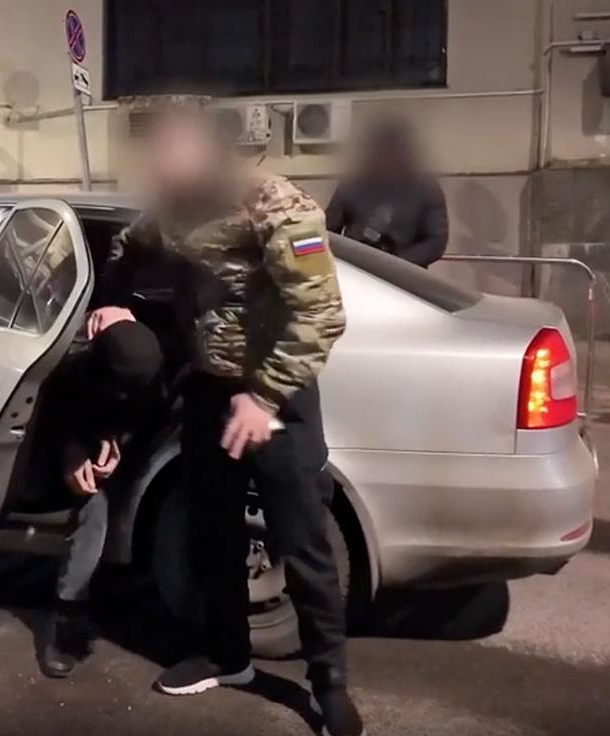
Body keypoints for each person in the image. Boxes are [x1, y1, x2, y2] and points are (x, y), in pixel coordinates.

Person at [91, 106, 363, 736]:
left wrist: (262, 399)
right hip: (210, 395)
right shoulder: (174, 207)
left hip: (276, 401)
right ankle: (227, 656)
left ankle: (329, 685)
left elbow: (321, 314)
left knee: (304, 544)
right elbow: (129, 247)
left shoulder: (275, 205)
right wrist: (113, 302)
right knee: (210, 532)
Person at [34, 316, 165, 678]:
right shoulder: (72, 371)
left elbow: (143, 418)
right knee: (94, 509)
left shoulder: (151, 376)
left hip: (116, 448)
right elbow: (50, 419)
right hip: (57, 449)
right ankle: (67, 614)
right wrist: (71, 453)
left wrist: (116, 442)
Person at [326, 115, 448, 267]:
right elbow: (328, 231)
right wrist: (348, 260)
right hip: (357, 266)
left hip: (405, 271)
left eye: (392, 151)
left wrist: (397, 263)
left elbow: (435, 241)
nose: (386, 158)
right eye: (380, 150)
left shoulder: (427, 188)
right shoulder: (352, 183)